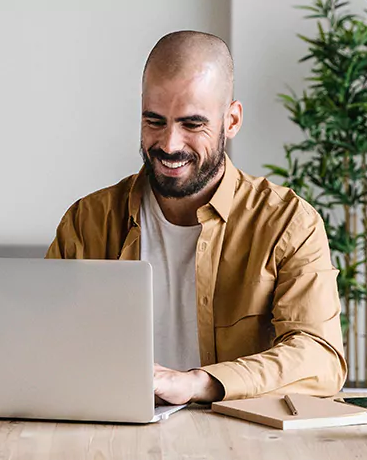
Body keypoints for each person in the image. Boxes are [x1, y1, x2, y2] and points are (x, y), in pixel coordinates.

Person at [46, 30, 346, 405]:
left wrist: (197, 383)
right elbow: (44, 345)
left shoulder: (288, 223)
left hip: (239, 441)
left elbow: (320, 359)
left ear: (231, 120)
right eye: (155, 121)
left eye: (192, 124)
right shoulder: (86, 221)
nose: (170, 145)